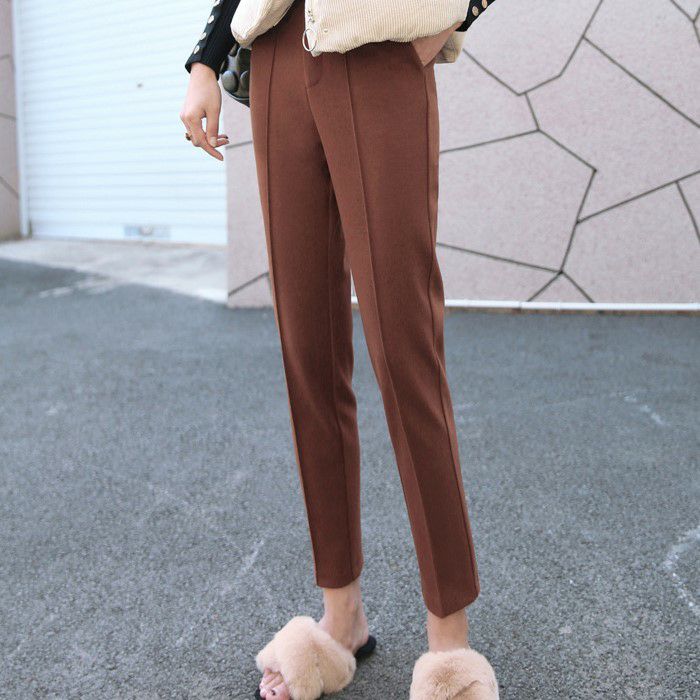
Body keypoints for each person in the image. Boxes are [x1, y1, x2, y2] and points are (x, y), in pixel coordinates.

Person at [180, 1, 499, 698]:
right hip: (277, 57)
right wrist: (205, 60)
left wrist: (447, 21)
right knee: (308, 354)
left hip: (379, 44)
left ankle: (449, 641)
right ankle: (341, 616)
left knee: (404, 349)